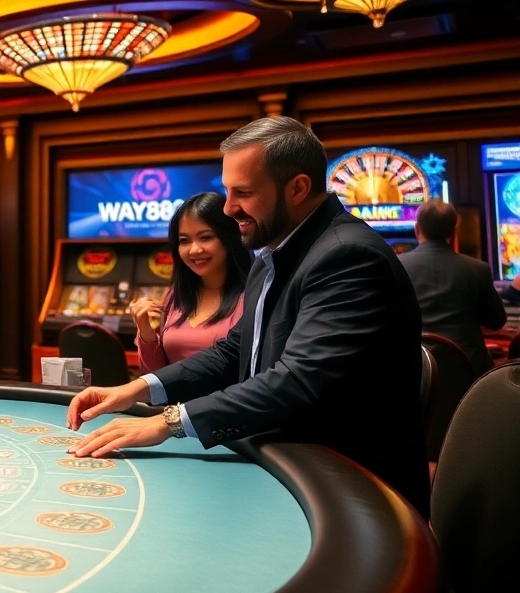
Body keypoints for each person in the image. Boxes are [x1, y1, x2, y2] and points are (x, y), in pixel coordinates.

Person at [66, 116, 429, 516]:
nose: (228, 207)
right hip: (288, 466)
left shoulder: (347, 256)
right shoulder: (273, 255)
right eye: (227, 190)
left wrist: (166, 422)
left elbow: (297, 381)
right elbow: (235, 349)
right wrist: (136, 389)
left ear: (297, 188)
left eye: (243, 192)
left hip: (353, 493)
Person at [133, 192, 251, 372]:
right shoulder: (176, 295)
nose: (194, 250)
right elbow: (155, 377)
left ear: (229, 238)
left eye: (206, 237)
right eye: (184, 241)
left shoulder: (252, 295)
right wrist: (146, 333)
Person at [399, 200, 507, 377]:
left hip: (415, 371)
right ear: (454, 232)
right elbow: (496, 321)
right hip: (469, 372)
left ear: (417, 229)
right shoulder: (477, 269)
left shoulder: (397, 266)